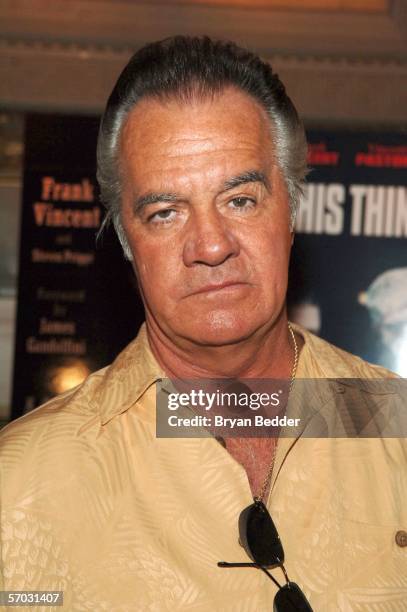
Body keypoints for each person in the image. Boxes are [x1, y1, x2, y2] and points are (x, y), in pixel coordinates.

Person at [1, 36, 406, 611]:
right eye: (165, 212)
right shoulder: (18, 492)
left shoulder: (397, 431)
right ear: (126, 240)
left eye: (240, 199)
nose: (211, 245)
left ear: (291, 211)